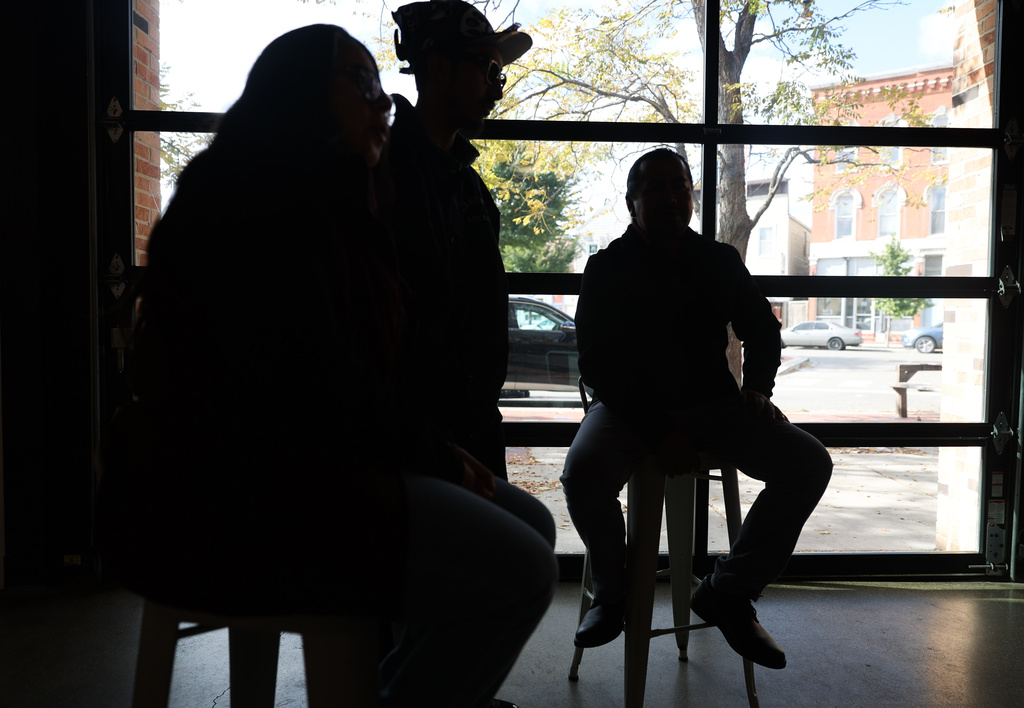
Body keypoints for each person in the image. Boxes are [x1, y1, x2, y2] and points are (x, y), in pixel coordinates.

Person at [95, 25, 557, 708]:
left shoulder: (331, 196)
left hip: (296, 466)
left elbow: (348, 372)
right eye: (362, 83)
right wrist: (436, 454)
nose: (383, 105)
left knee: (533, 529)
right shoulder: (257, 198)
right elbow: (322, 376)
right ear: (299, 90)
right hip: (245, 495)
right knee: (524, 567)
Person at [561, 148, 833, 670]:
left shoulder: (718, 260)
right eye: (654, 188)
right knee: (582, 473)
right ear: (631, 203)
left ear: (690, 196)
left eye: (678, 187)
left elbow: (762, 330)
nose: (669, 197)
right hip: (627, 410)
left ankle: (728, 592)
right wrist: (661, 430)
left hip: (712, 407)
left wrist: (758, 389)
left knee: (808, 463)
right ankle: (613, 594)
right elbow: (598, 365)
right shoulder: (607, 267)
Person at [387, 0, 533, 480]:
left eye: (501, 75)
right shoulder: (384, 176)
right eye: (489, 69)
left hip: (473, 427)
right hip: (409, 440)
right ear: (440, 66)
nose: (497, 88)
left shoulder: (468, 187)